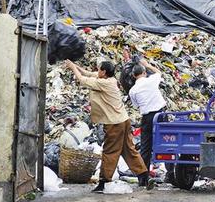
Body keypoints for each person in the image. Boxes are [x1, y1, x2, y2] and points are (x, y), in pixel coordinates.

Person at [65, 59, 151, 192]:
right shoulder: (109, 79)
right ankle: (143, 175)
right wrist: (74, 66)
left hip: (114, 123)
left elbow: (82, 79)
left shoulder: (104, 83)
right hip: (123, 120)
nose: (97, 71)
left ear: (104, 72)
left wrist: (72, 68)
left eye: (99, 69)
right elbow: (87, 73)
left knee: (109, 151)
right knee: (128, 150)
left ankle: (103, 181)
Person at [129, 58, 175, 183]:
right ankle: (171, 174)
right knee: (166, 145)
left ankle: (143, 178)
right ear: (144, 73)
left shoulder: (132, 91)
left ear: (133, 76)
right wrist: (147, 64)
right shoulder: (152, 80)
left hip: (147, 118)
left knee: (145, 147)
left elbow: (136, 106)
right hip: (160, 116)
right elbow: (158, 72)